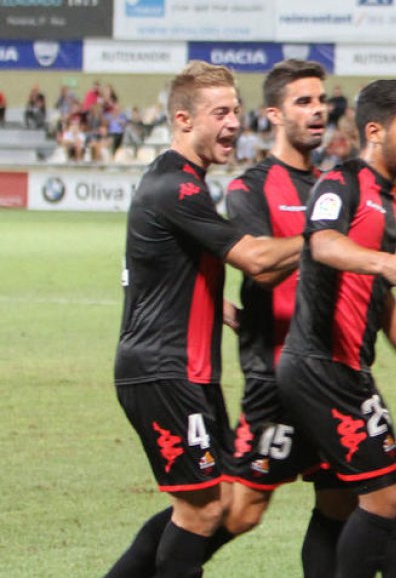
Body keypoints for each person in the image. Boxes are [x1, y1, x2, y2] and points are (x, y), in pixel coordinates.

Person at [107, 62, 304, 578]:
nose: (235, 123)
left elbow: (165, 274)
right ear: (183, 120)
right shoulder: (177, 187)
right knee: (203, 511)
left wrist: (229, 313)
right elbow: (257, 259)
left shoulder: (179, 182)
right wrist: (324, 238)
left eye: (236, 111)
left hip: (186, 372)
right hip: (164, 372)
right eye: (220, 113)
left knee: (201, 505)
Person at [276, 79, 396, 578]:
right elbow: (323, 244)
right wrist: (381, 263)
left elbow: (382, 303)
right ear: (375, 132)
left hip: (350, 371)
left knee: (353, 500)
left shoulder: (389, 206)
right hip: (321, 367)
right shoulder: (342, 183)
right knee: (385, 497)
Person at [219, 59, 354, 576]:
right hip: (275, 375)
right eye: (303, 102)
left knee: (341, 501)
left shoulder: (333, 184)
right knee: (241, 511)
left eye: (321, 101)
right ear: (274, 114)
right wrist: (321, 241)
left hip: (331, 374)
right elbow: (259, 267)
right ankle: (161, 564)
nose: (318, 110)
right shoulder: (248, 187)